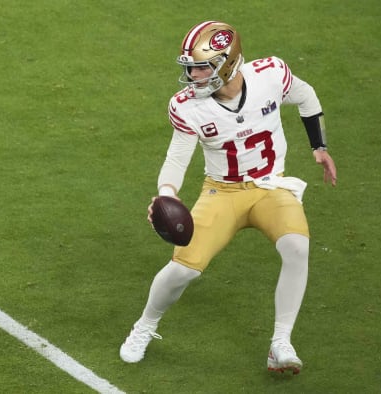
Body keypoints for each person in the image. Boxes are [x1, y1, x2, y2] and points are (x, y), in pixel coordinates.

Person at [119, 20, 337, 374]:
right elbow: (177, 157)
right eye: (190, 68)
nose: (194, 76)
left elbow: (306, 95)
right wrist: (165, 196)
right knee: (182, 271)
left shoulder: (269, 75)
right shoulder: (189, 106)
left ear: (229, 62)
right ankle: (144, 326)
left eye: (202, 67)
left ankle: (281, 342)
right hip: (223, 192)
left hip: (270, 187)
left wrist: (319, 146)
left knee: (297, 248)